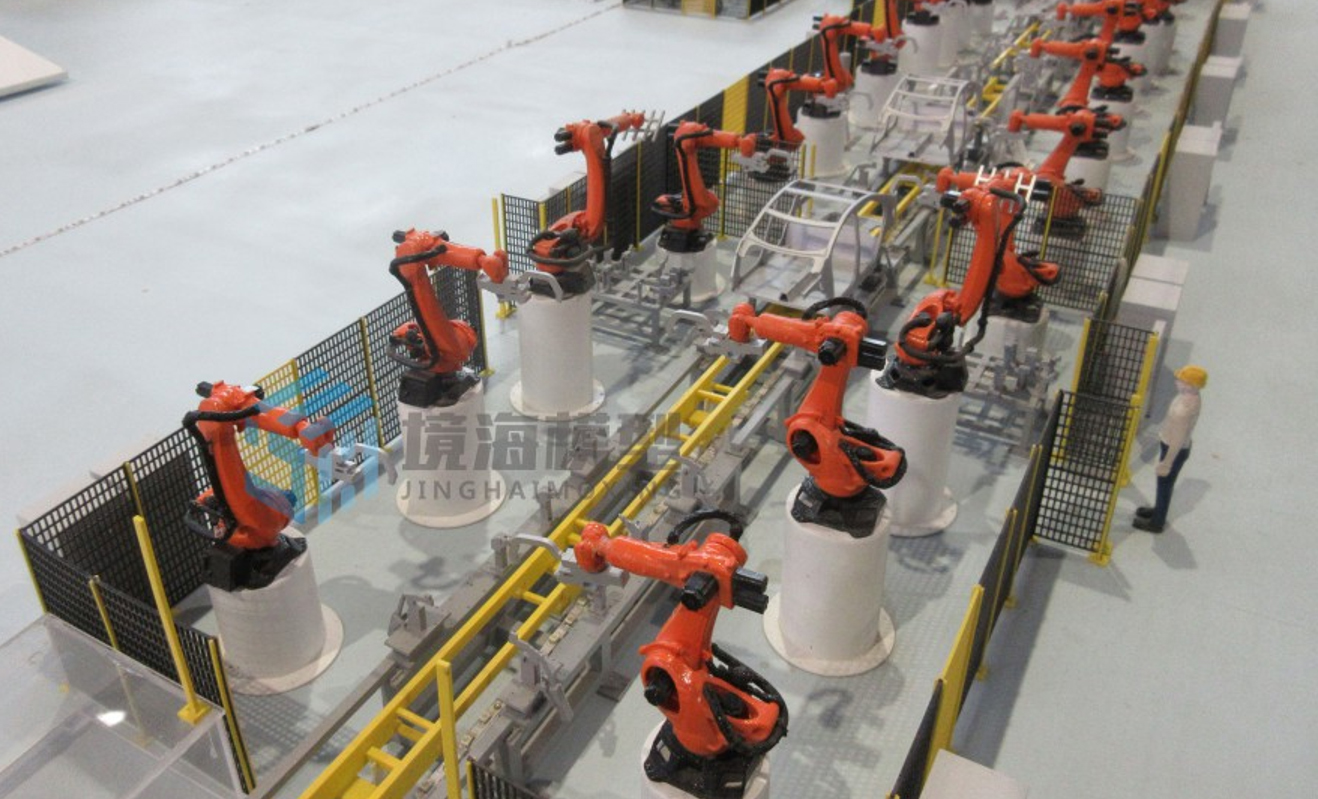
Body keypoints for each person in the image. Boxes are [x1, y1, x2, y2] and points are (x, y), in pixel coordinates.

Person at [1134, 365, 1206, 533]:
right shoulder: (1190, 396)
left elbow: (1178, 440)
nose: (1177, 382)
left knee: (1164, 485)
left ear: (1191, 385)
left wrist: (1167, 463)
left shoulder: (1184, 410)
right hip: (1173, 445)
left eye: (1181, 380)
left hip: (1174, 450)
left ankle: (1157, 522)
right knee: (1164, 485)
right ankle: (1158, 510)